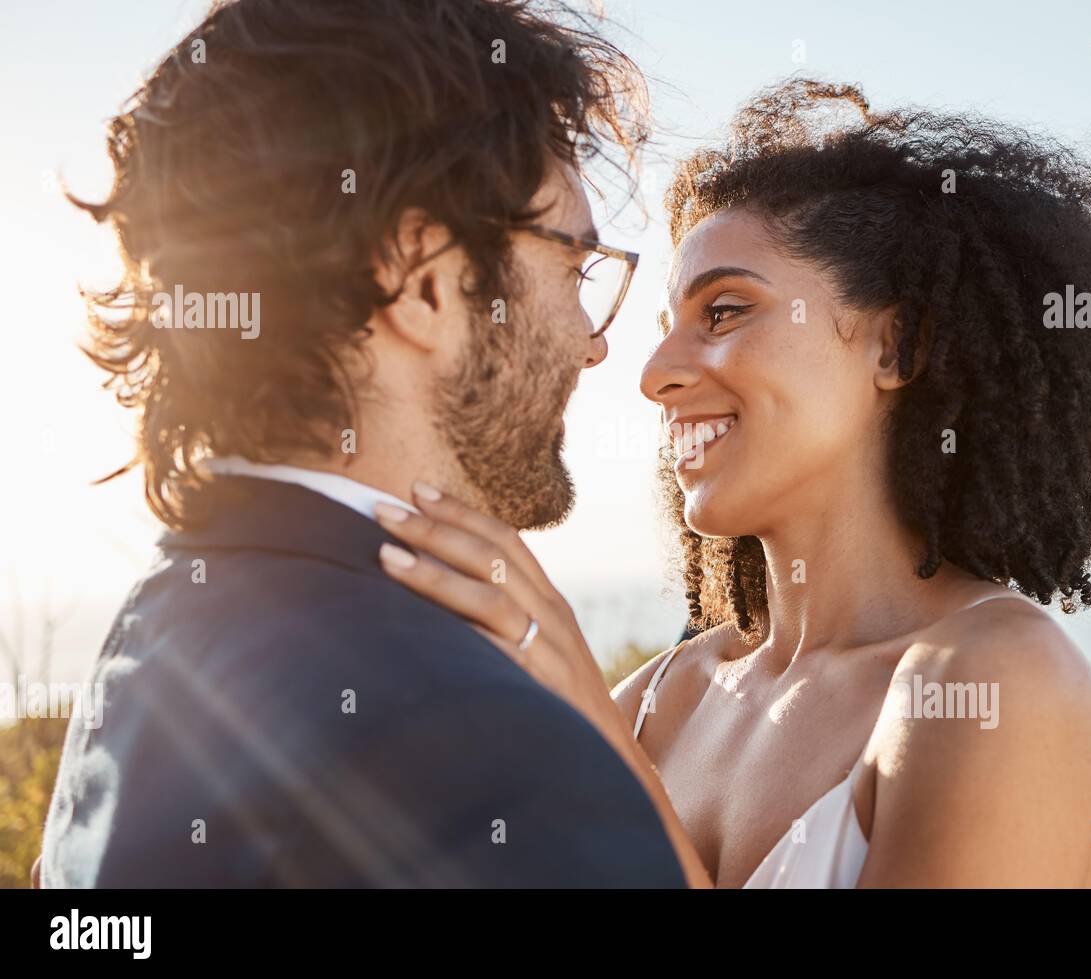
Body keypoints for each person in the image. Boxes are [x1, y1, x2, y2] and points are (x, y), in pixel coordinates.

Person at [376, 80, 1091, 887]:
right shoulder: (659, 700)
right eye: (667, 331)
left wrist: (602, 751)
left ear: (895, 346)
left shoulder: (994, 679)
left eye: (723, 312)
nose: (655, 375)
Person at [39, 0, 697, 888]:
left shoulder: (150, 642)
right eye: (575, 267)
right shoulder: (499, 760)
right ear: (422, 281)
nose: (594, 342)